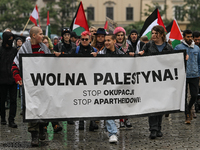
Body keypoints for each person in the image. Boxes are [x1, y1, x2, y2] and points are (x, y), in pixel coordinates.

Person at [11, 26, 52, 147]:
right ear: (34, 35)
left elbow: (51, 64)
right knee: (32, 109)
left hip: (43, 85)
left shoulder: (44, 48)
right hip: (30, 87)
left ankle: (42, 127)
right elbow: (15, 64)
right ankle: (34, 133)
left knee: (45, 108)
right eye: (40, 33)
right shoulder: (24, 48)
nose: (43, 36)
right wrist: (17, 77)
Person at [139, 25, 174, 139]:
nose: (153, 35)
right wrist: (140, 55)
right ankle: (153, 129)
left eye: (156, 33)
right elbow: (141, 60)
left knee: (161, 106)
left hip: (163, 81)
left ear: (162, 34)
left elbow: (173, 63)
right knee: (152, 105)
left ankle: (158, 128)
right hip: (150, 81)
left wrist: (184, 58)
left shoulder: (168, 48)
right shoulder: (148, 45)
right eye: (152, 33)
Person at [97, 34, 124, 143]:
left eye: (109, 40)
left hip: (117, 86)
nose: (106, 42)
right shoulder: (100, 54)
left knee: (114, 108)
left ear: (114, 41)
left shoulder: (121, 54)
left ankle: (109, 127)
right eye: (105, 41)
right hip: (105, 85)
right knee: (108, 108)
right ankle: (112, 132)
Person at [73, 31, 99, 131]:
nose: (84, 41)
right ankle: (81, 121)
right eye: (82, 39)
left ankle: (92, 121)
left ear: (90, 40)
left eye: (86, 39)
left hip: (91, 79)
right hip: (79, 80)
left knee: (91, 101)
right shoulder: (76, 49)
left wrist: (97, 57)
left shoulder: (94, 50)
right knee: (81, 101)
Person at [174, 29, 200, 124]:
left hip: (195, 75)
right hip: (183, 75)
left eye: (191, 37)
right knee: (184, 97)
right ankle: (187, 115)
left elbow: (199, 62)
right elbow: (174, 61)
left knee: (194, 95)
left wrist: (199, 73)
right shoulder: (178, 47)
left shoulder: (197, 48)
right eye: (187, 37)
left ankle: (188, 108)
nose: (189, 38)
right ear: (184, 37)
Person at [42, 36, 63, 133]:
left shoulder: (52, 54)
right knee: (45, 104)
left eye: (47, 42)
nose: (45, 44)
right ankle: (44, 124)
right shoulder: (38, 54)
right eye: (44, 42)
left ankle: (54, 124)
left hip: (52, 81)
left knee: (53, 103)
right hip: (42, 82)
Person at [0, 31, 18, 128]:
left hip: (12, 79)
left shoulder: (14, 50)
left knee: (13, 100)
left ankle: (11, 119)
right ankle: (2, 117)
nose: (11, 40)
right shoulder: (0, 50)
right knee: (2, 100)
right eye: (9, 38)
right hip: (2, 80)